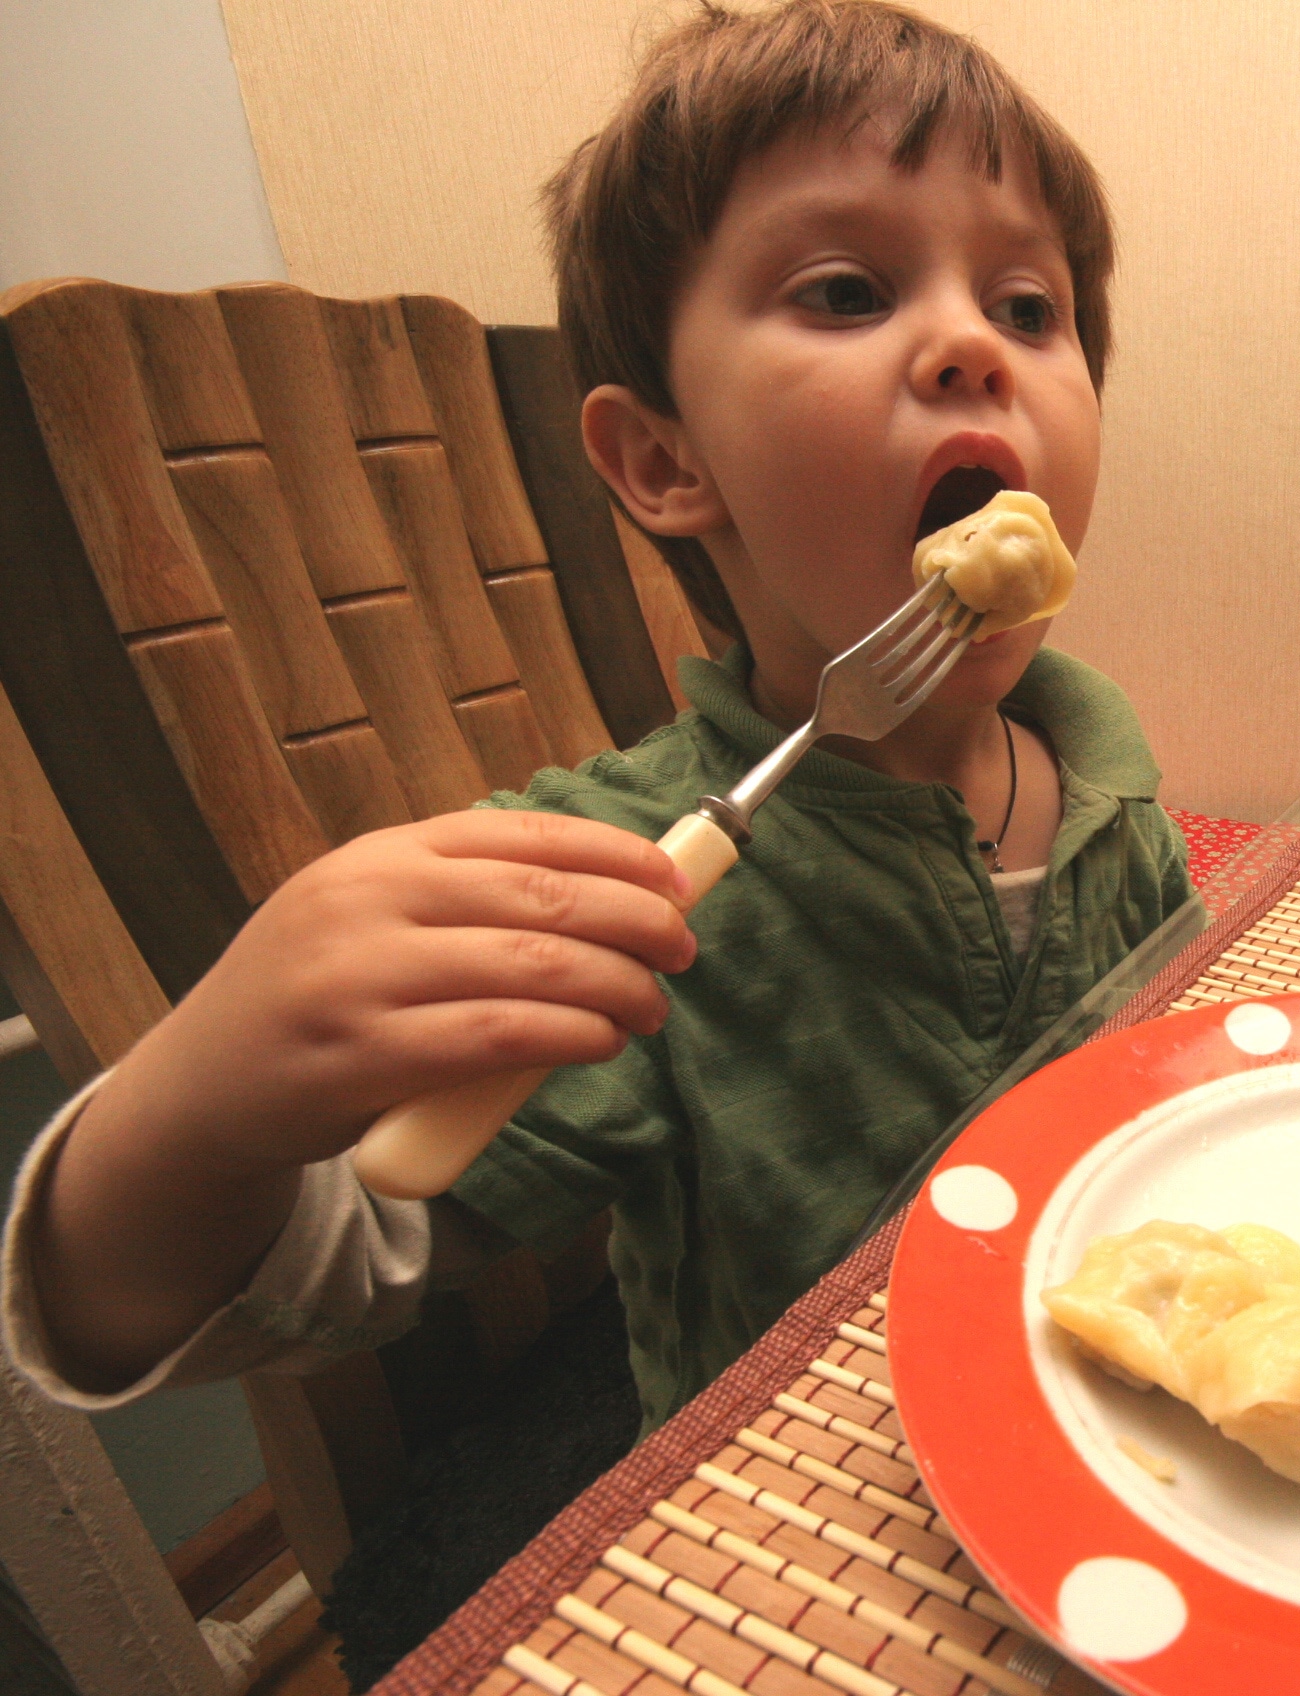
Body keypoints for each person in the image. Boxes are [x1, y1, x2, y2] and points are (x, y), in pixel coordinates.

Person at [4, 0, 1189, 1433]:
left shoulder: (1104, 759)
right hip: (779, 1523)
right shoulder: (611, 888)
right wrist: (198, 1103)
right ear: (663, 460)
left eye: (1029, 308)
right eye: (845, 291)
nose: (969, 344)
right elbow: (285, 1277)